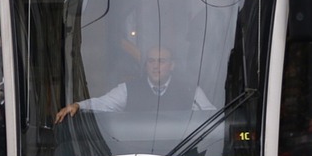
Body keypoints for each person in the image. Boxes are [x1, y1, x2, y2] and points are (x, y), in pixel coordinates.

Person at [54, 46, 215, 123]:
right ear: (145, 65)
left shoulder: (190, 91)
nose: (155, 65)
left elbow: (211, 117)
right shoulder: (128, 89)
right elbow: (104, 103)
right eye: (151, 61)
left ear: (172, 65)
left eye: (161, 61)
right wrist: (78, 105)